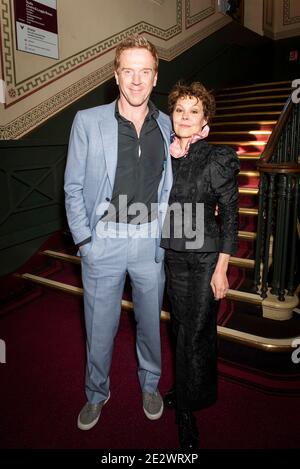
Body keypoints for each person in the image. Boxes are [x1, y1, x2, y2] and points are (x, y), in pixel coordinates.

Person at [64, 34, 172, 431]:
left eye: (145, 71)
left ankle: (150, 384)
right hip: (104, 238)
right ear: (116, 75)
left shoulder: (168, 125)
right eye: (129, 71)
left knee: (149, 322)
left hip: (149, 240)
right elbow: (72, 186)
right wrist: (85, 241)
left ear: (156, 77)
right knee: (100, 325)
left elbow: (178, 180)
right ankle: (96, 392)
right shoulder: (88, 121)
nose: (137, 80)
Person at [161, 82, 240, 449]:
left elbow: (232, 215)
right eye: (180, 110)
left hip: (205, 257)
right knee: (180, 328)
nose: (186, 117)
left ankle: (186, 414)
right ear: (172, 116)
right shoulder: (167, 154)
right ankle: (190, 388)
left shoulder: (217, 156)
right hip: (173, 254)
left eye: (194, 111)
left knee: (194, 331)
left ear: (205, 119)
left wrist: (222, 266)